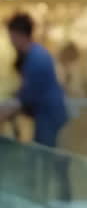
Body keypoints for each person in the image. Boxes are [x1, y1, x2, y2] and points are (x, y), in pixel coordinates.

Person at [1, 12, 68, 147]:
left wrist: (4, 112)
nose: (11, 41)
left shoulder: (37, 59)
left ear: (19, 35)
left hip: (49, 116)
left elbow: (26, 97)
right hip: (44, 114)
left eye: (11, 36)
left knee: (47, 156)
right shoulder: (33, 54)